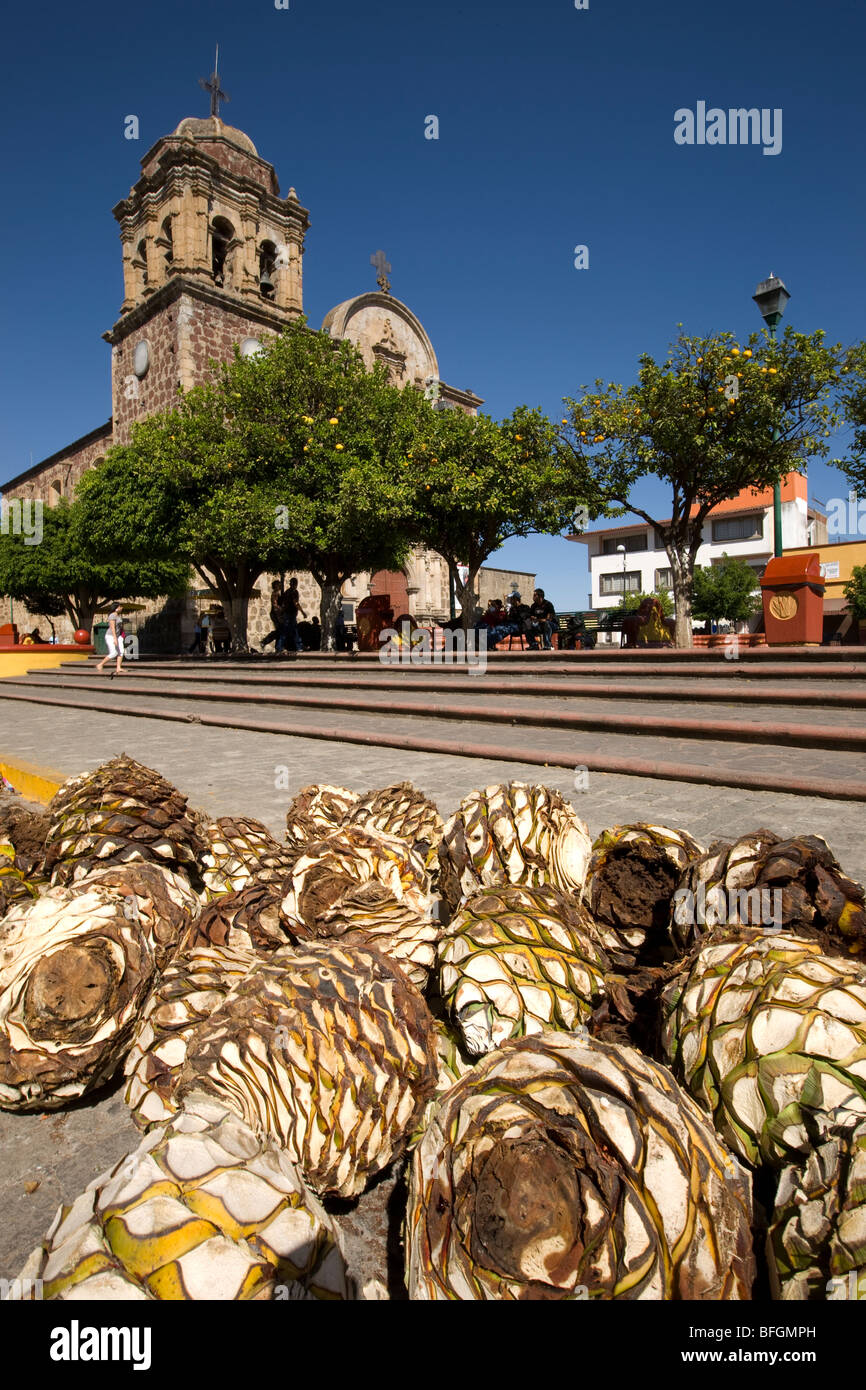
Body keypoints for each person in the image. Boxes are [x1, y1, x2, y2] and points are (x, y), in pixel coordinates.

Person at [277, 577, 305, 655]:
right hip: (291, 614)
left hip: (287, 614)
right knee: (294, 630)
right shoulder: (294, 592)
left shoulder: (287, 592)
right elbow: (296, 603)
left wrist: (281, 613)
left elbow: (283, 604)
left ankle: (280, 646)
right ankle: (299, 646)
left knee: (286, 631)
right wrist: (303, 612)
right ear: (296, 584)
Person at [96, 606, 125, 676]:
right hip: (111, 636)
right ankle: (100, 664)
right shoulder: (112, 616)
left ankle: (118, 667)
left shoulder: (117, 615)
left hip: (118, 636)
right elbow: (112, 628)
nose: (122, 608)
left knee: (121, 651)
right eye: (120, 607)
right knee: (114, 653)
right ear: (116, 608)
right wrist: (115, 638)